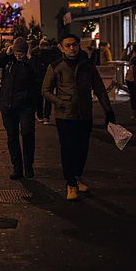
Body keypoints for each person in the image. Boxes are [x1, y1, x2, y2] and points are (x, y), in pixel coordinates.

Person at [42, 34, 116, 201]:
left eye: (74, 45)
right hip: (64, 115)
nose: (72, 48)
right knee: (68, 149)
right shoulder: (56, 66)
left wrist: (108, 111)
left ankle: (77, 177)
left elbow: (100, 89)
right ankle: (71, 184)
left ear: (78, 46)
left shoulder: (87, 66)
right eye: (68, 46)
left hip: (84, 114)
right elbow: (45, 90)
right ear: (62, 48)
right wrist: (60, 103)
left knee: (82, 149)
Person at [0, 38, 41, 180]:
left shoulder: (30, 63)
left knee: (27, 133)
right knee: (12, 136)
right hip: (8, 105)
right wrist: (6, 54)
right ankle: (17, 167)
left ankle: (28, 165)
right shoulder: (9, 61)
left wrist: (30, 58)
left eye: (21, 54)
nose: (19, 56)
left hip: (26, 105)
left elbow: (40, 74)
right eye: (17, 53)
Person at [32, 38, 60, 124]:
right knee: (48, 98)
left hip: (39, 79)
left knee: (39, 98)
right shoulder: (52, 56)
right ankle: (46, 117)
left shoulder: (37, 56)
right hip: (49, 79)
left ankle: (40, 115)